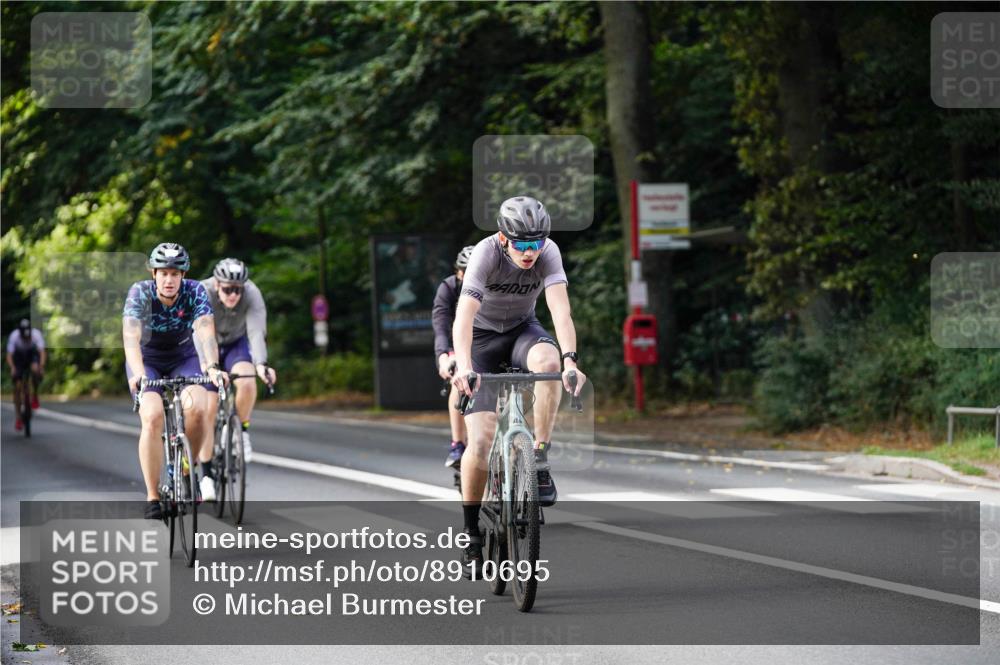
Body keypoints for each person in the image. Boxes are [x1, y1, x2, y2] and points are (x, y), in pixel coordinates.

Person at [451, 196, 586, 575]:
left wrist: (571, 361)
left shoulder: (548, 252)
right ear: (503, 237)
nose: (530, 253)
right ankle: (471, 533)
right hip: (480, 341)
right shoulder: (485, 254)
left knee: (549, 362)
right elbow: (463, 317)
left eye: (537, 243)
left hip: (523, 330)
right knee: (479, 441)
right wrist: (464, 367)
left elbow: (560, 309)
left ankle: (539, 456)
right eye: (522, 245)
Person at [122, 243, 227, 519]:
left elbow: (205, 330)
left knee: (199, 408)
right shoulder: (139, 292)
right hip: (147, 360)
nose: (169, 280)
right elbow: (131, 337)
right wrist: (139, 373)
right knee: (153, 415)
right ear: (154, 273)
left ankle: (184, 467)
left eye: (175, 274)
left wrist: (213, 366)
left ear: (183, 275)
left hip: (184, 356)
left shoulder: (195, 291)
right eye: (164, 273)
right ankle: (153, 496)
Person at [201, 258, 276, 464]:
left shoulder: (252, 293)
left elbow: (256, 331)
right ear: (217, 285)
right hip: (208, 345)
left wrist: (261, 364)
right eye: (228, 290)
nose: (234, 294)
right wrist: (209, 366)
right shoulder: (203, 292)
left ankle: (239, 432)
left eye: (238, 290)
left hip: (236, 342)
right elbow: (200, 333)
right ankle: (206, 471)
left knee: (247, 381)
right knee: (209, 407)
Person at [433, 246, 475, 469]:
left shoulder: (493, 285)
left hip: (486, 341)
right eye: (466, 271)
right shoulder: (448, 288)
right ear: (458, 273)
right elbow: (440, 327)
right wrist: (444, 356)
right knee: (459, 381)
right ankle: (458, 442)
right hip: (457, 345)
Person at [6, 318, 46, 429]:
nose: (26, 339)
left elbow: (42, 352)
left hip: (31, 356)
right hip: (19, 358)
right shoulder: (14, 336)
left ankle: (35, 394)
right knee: (17, 387)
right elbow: (9, 355)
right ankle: (18, 417)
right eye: (24, 337)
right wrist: (12, 368)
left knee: (35, 370)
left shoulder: (36, 335)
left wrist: (41, 367)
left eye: (28, 337)